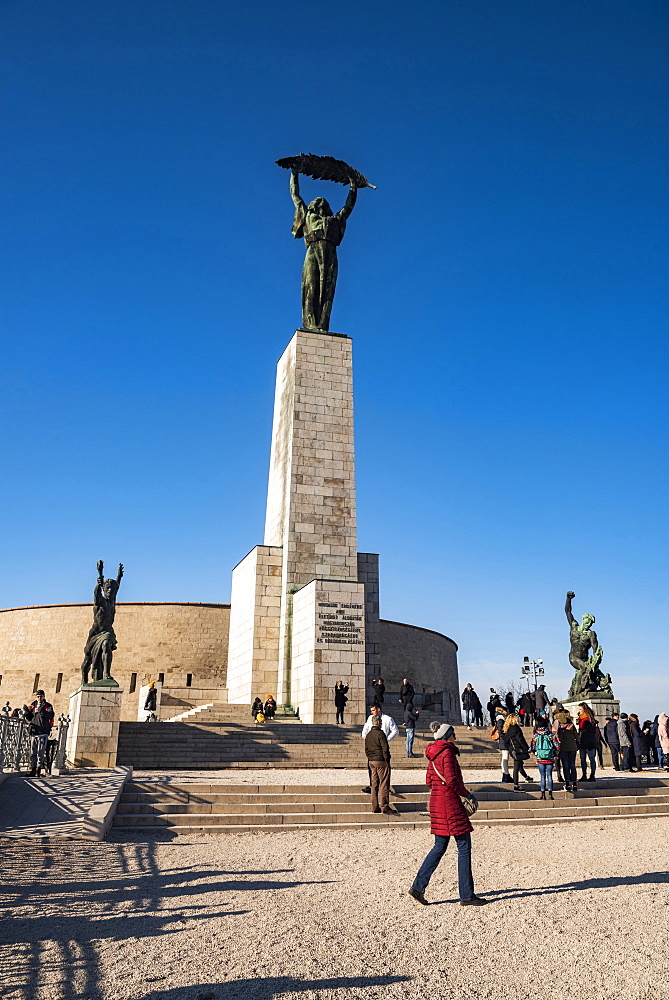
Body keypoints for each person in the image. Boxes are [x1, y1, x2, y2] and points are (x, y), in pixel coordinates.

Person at [409, 723, 487, 906]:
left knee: (439, 846)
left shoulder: (433, 753)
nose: (456, 737)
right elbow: (452, 780)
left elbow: (429, 780)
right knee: (464, 846)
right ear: (449, 735)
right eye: (454, 734)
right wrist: (466, 794)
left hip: (436, 802)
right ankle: (467, 895)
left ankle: (418, 887)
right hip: (450, 804)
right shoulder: (447, 752)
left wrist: (439, 788)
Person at [289, 168, 358, 332]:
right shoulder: (307, 216)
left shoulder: (335, 220)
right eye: (316, 202)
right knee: (311, 287)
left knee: (327, 290)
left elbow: (348, 207)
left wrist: (353, 187)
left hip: (330, 254)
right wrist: (294, 174)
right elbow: (296, 196)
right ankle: (310, 323)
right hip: (313, 251)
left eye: (323, 202)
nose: (320, 202)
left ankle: (322, 325)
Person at [361, 703, 399, 793]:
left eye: (373, 710)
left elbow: (395, 731)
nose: (372, 712)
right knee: (371, 768)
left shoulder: (387, 719)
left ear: (378, 709)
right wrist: (365, 737)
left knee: (384, 768)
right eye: (371, 711)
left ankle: (384, 787)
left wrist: (386, 739)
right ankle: (373, 786)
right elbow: (365, 728)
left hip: (382, 746)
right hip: (372, 746)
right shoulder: (370, 718)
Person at [364, 716, 397, 814]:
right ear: (378, 723)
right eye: (381, 722)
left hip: (372, 761)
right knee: (384, 783)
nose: (382, 723)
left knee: (374, 784)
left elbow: (366, 749)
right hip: (381, 761)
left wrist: (370, 758)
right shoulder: (380, 733)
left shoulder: (368, 735)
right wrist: (387, 760)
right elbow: (385, 748)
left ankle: (375, 806)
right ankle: (384, 806)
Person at [24, 690, 54, 777]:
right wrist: (27, 711)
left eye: (41, 696)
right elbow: (29, 718)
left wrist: (41, 711)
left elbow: (51, 715)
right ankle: (32, 770)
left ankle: (38, 770)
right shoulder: (32, 706)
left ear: (44, 697)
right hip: (34, 731)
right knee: (33, 752)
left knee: (40, 753)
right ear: (35, 697)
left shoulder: (48, 706)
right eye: (38, 696)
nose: (39, 698)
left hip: (43, 732)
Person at [530, 719, 561, 799]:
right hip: (549, 757)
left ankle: (543, 794)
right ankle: (550, 794)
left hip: (540, 758)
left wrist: (536, 753)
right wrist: (555, 753)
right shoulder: (550, 735)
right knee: (549, 776)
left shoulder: (536, 736)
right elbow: (557, 746)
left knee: (542, 776)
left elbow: (533, 747)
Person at [503, 713, 533, 791]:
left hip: (512, 750)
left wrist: (509, 748)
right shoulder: (515, 728)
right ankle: (516, 786)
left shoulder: (507, 729)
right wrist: (526, 748)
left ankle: (526, 778)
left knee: (519, 765)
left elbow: (506, 741)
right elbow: (520, 739)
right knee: (517, 767)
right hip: (518, 749)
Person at [555, 708, 579, 791]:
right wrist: (578, 743)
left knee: (565, 765)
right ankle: (575, 784)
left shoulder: (557, 723)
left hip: (563, 747)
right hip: (572, 746)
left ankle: (568, 784)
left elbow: (554, 734)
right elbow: (576, 736)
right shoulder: (570, 723)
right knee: (572, 765)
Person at [577, 703, 598, 782]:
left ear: (584, 710)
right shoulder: (586, 718)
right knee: (585, 759)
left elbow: (583, 731)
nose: (579, 711)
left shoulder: (586, 719)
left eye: (580, 709)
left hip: (586, 741)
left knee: (589, 759)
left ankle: (590, 775)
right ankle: (586, 775)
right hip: (587, 741)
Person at [495, 706, 513, 783]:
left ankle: (505, 773)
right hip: (504, 740)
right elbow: (500, 731)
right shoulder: (501, 719)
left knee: (505, 757)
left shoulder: (500, 719)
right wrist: (506, 738)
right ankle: (506, 774)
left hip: (503, 740)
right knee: (505, 757)